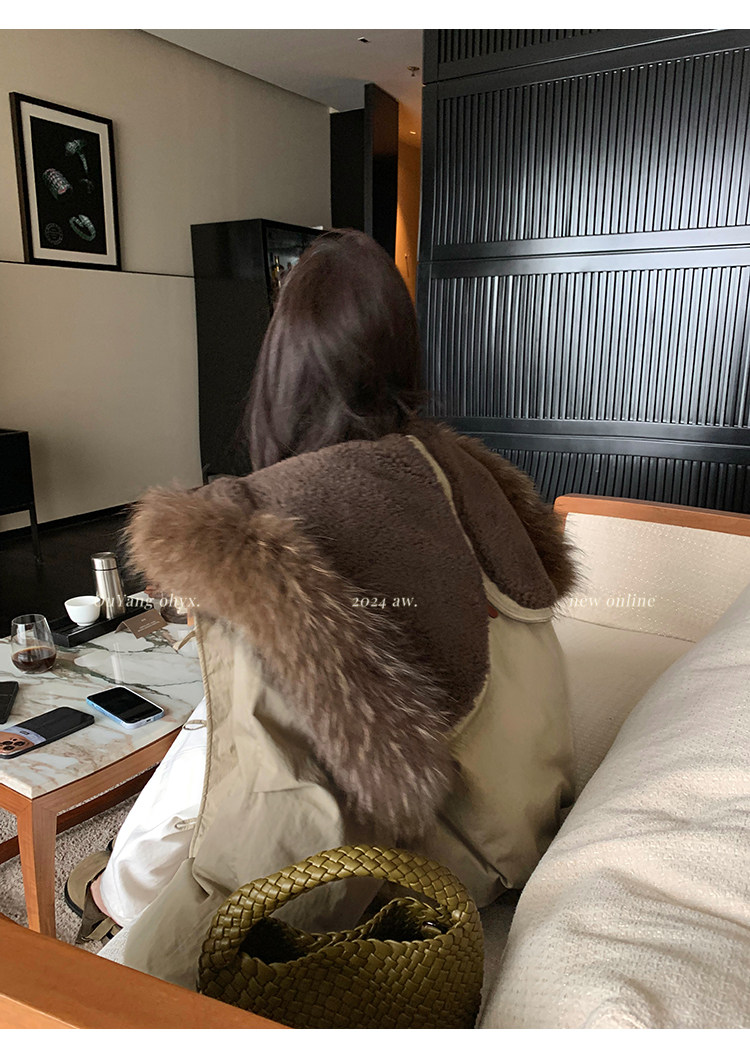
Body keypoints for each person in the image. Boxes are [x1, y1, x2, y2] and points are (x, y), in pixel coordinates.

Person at [67, 228, 577, 987]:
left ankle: (113, 891)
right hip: (522, 817)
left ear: (282, 360)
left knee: (206, 748)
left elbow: (274, 813)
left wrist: (156, 927)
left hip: (426, 868)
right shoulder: (462, 471)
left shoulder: (260, 516)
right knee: (209, 739)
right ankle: (119, 878)